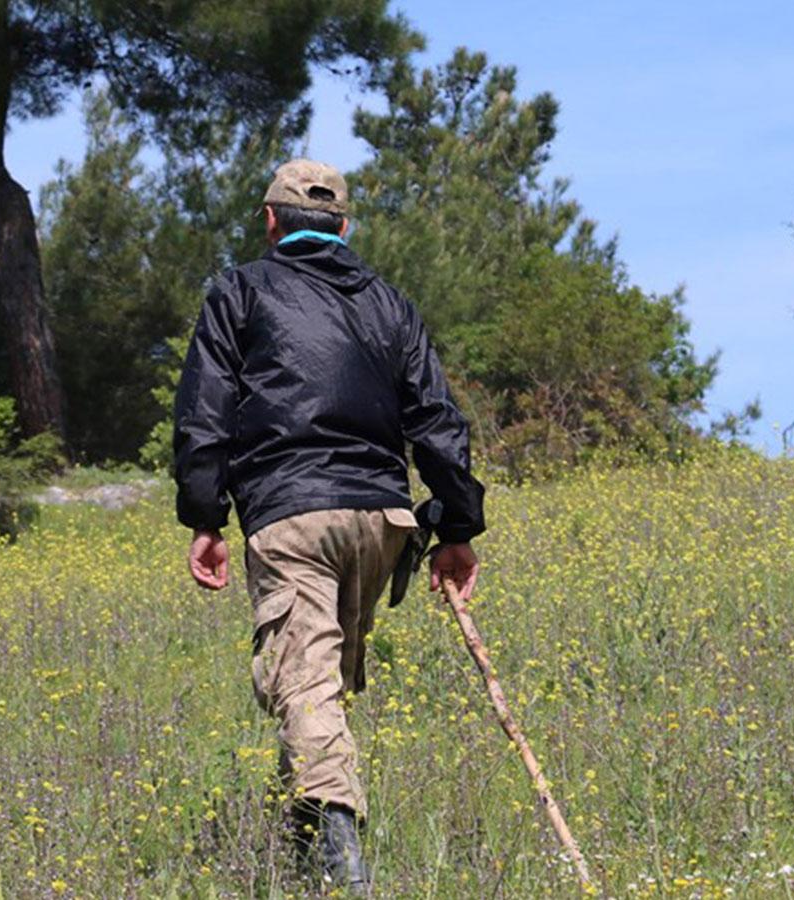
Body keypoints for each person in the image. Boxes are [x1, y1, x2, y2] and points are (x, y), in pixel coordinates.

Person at [172, 160, 486, 891]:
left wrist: (205, 516)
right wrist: (458, 530)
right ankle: (302, 854)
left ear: (270, 219)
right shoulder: (390, 305)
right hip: (383, 521)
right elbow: (438, 422)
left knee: (304, 684)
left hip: (291, 514)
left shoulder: (239, 291)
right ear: (344, 226)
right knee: (319, 686)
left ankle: (345, 878)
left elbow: (204, 410)